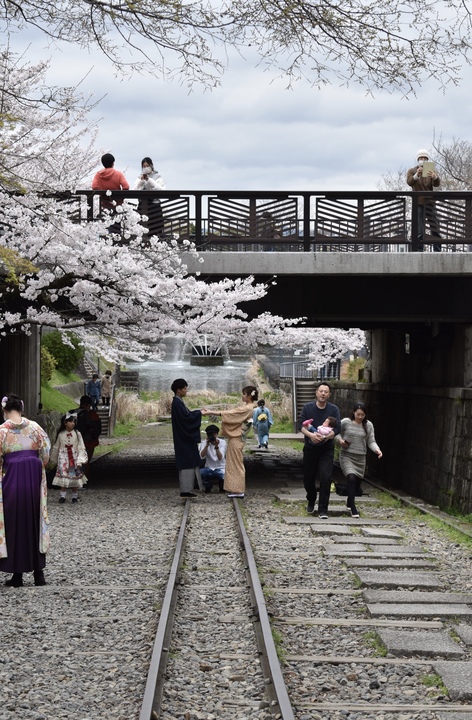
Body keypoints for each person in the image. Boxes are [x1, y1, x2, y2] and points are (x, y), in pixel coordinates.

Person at [0, 393, 51, 588]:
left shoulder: (2, 431)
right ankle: (39, 574)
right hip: (33, 477)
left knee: (13, 523)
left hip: (11, 478)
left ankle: (17, 575)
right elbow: (45, 454)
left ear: (4, 410)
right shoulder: (35, 428)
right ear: (21, 408)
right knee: (34, 520)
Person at [299, 382, 341, 518]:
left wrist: (325, 437)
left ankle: (323, 509)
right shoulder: (307, 407)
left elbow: (337, 428)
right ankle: (311, 498)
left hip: (326, 448)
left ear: (329, 394)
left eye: (326, 392)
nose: (323, 394)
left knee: (326, 476)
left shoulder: (334, 409)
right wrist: (312, 435)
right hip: (311, 448)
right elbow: (301, 425)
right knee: (308, 478)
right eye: (321, 391)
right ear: (316, 392)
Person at [210, 386, 258, 499]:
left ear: (249, 396)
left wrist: (211, 412)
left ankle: (239, 489)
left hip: (237, 437)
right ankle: (235, 489)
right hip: (239, 437)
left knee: (236, 464)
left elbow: (232, 414)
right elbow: (234, 414)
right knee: (234, 463)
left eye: (243, 393)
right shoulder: (249, 407)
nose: (242, 395)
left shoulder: (247, 408)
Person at [336, 402, 382, 518]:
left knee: (356, 485)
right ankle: (353, 506)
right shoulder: (346, 422)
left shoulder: (368, 425)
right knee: (351, 478)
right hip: (347, 455)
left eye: (362, 415)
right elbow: (335, 432)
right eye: (358, 414)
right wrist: (340, 441)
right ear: (353, 413)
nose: (360, 417)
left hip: (360, 457)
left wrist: (377, 450)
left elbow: (371, 441)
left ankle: (349, 500)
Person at [171, 378, 205, 498]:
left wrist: (197, 413)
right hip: (184, 439)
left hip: (183, 438)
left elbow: (187, 415)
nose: (186, 391)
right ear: (178, 390)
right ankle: (185, 490)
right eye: (185, 388)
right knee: (187, 462)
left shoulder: (178, 402)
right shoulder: (177, 403)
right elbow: (187, 419)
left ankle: (188, 489)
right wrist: (199, 413)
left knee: (188, 462)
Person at [406, 149, 441, 252]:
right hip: (418, 202)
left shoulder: (431, 170)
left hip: (430, 202)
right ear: (418, 159)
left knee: (435, 226)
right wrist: (417, 175)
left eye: (425, 158)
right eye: (421, 158)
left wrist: (435, 177)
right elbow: (410, 182)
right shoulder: (411, 171)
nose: (423, 160)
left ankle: (437, 249)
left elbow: (437, 184)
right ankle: (419, 249)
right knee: (419, 229)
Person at [50, 413, 88, 504]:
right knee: (64, 475)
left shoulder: (77, 434)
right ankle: (63, 495)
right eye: (70, 421)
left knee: (73, 476)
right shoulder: (60, 434)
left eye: (74, 421)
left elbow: (81, 446)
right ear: (65, 423)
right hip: (63, 458)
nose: (72, 423)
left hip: (74, 458)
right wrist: (53, 459)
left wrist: (80, 460)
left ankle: (74, 496)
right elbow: (56, 447)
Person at [69, 396, 102, 479]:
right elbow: (97, 428)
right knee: (85, 461)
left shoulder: (71, 413)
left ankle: (72, 478)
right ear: (89, 404)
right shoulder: (91, 415)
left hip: (72, 440)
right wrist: (94, 437)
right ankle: (84, 479)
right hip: (88, 442)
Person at [133, 157, 166, 238]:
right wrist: (141, 181)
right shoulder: (140, 177)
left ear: (151, 165)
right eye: (144, 166)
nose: (145, 168)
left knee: (156, 230)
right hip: (142, 206)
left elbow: (160, 189)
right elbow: (134, 190)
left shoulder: (158, 176)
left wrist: (149, 180)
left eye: (147, 166)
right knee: (141, 230)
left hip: (154, 206)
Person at [199, 424, 227, 494]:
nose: (212, 436)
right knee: (199, 473)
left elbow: (220, 457)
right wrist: (206, 446)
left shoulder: (222, 443)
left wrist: (216, 446)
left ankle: (222, 485)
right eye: (210, 434)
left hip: (221, 468)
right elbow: (201, 456)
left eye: (213, 434)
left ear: (217, 434)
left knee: (226, 475)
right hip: (209, 468)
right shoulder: (204, 443)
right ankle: (208, 486)